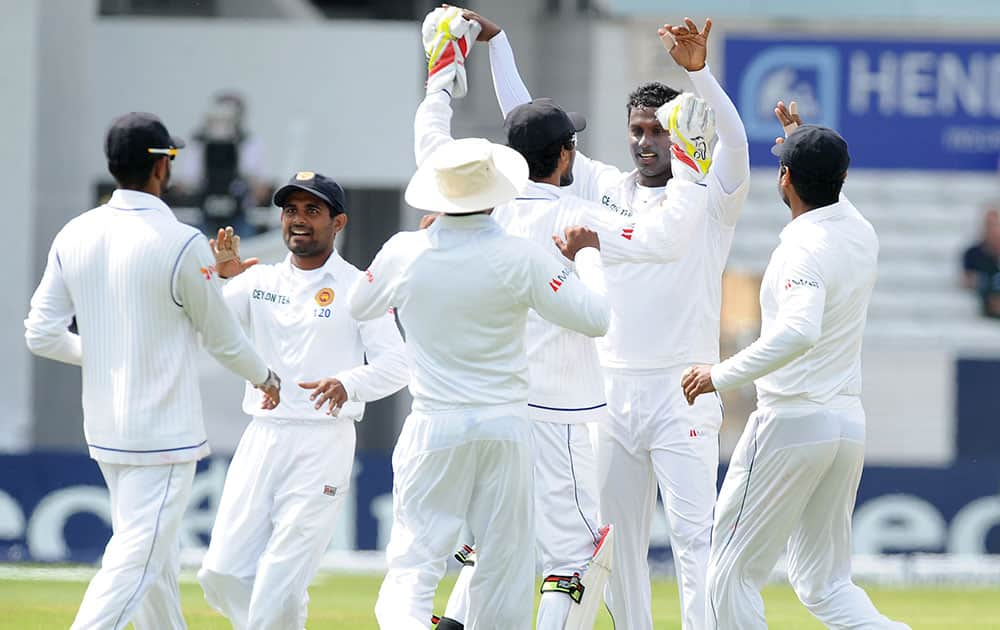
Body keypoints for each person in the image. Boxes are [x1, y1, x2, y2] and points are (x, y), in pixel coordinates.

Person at [424, 8, 715, 629]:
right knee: (580, 553)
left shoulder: (485, 214)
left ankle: (449, 623)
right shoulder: (583, 212)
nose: (642, 142)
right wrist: (693, 161)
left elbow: (523, 121)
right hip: (564, 407)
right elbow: (664, 236)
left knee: (500, 533)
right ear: (566, 155)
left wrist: (495, 48)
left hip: (496, 400)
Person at [486, 15, 751, 630]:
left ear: (681, 134)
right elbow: (529, 127)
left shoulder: (710, 195)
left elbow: (735, 144)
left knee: (694, 541)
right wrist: (499, 46)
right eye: (637, 130)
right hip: (608, 390)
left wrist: (698, 75)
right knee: (617, 546)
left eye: (658, 130)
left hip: (683, 387)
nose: (645, 141)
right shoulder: (602, 187)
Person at [351, 19, 611, 625]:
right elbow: (597, 318)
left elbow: (361, 308)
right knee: (503, 563)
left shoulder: (404, 251)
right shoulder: (524, 255)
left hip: (435, 422)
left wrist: (442, 78)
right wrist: (587, 255)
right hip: (505, 427)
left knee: (415, 562)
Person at [24, 112, 281, 630]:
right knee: (136, 563)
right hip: (163, 436)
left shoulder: (75, 233)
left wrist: (107, 355)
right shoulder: (182, 241)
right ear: (161, 168)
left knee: (154, 565)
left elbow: (42, 333)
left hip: (106, 429)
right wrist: (265, 377)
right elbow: (222, 337)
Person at [681, 103, 910, 630]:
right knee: (825, 583)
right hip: (846, 423)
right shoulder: (859, 230)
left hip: (790, 422)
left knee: (728, 575)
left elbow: (800, 330)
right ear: (842, 178)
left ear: (785, 178)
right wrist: (800, 139)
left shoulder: (803, 249)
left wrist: (718, 374)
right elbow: (827, 188)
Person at [196, 171, 409, 629]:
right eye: (291, 210)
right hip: (263, 438)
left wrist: (348, 383)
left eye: (313, 211)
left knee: (280, 576)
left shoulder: (359, 288)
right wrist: (221, 279)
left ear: (339, 222)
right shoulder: (258, 281)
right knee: (222, 572)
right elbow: (207, 328)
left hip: (323, 441)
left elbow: (398, 365)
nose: (298, 220)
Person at [961, 207, 1000, 318]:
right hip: (985, 306)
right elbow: (967, 280)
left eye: (996, 225)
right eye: (990, 225)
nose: (994, 230)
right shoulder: (973, 253)